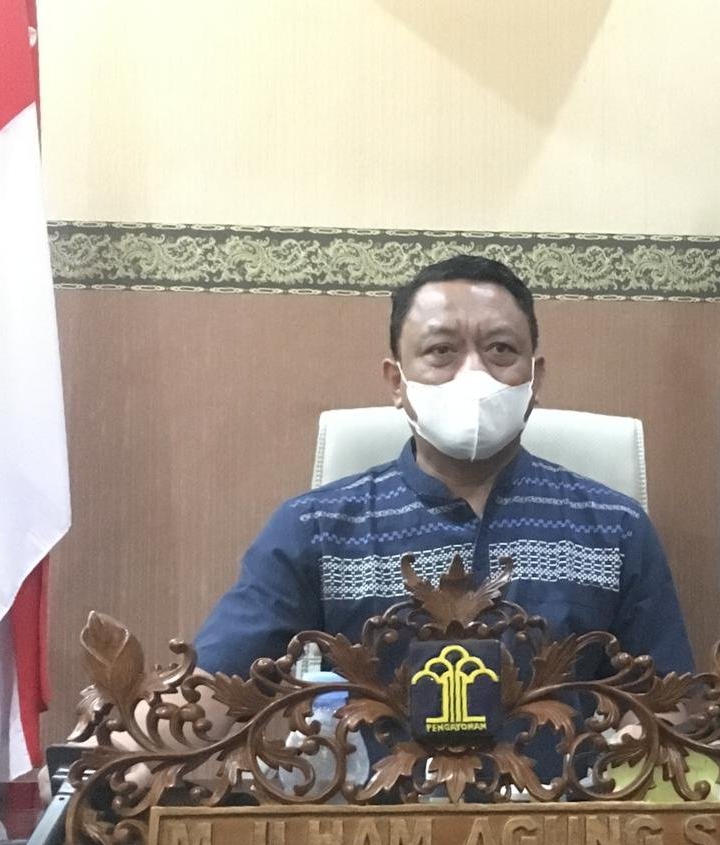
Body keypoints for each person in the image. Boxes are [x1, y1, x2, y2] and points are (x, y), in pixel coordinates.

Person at [195, 255, 692, 686]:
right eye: (441, 351)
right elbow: (209, 697)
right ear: (397, 381)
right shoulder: (315, 529)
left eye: (501, 349)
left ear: (535, 379)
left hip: (563, 773)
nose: (473, 373)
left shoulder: (616, 529)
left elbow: (668, 707)